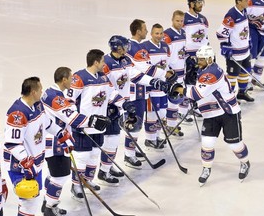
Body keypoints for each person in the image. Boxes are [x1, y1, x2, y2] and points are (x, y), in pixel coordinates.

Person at [170, 45, 250, 186]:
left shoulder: (212, 73)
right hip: (210, 114)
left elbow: (196, 94)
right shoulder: (204, 69)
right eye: (198, 59)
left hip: (227, 112)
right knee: (207, 143)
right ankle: (206, 168)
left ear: (209, 59)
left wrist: (177, 88)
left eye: (201, 60)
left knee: (234, 144)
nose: (198, 62)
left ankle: (245, 162)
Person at [99, 35, 171, 185]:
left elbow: (136, 76)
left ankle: (108, 166)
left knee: (114, 138)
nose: (127, 48)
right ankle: (103, 171)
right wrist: (121, 102)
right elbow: (106, 88)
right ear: (117, 48)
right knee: (110, 139)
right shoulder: (105, 64)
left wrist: (155, 82)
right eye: (125, 46)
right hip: (110, 105)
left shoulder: (125, 60)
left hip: (121, 104)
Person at [41, 67, 109, 215]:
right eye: (71, 78)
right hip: (55, 142)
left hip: (53, 139)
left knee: (54, 175)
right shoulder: (55, 97)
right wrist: (92, 121)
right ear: (64, 79)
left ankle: (47, 202)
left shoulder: (51, 92)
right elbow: (71, 117)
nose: (73, 81)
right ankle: (49, 208)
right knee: (60, 176)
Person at [65, 49, 126, 200]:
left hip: (100, 125)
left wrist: (125, 104)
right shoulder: (79, 77)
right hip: (84, 126)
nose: (105, 64)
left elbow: (111, 94)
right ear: (96, 62)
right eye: (103, 62)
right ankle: (77, 185)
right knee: (82, 157)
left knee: (94, 155)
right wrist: (77, 120)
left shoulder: (103, 77)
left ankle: (88, 181)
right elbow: (69, 101)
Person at [3, 77, 67, 216]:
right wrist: (27, 162)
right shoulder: (17, 114)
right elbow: (12, 143)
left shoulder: (38, 105)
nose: (42, 91)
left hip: (34, 164)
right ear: (33, 92)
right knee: (29, 204)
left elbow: (47, 123)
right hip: (21, 166)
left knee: (33, 201)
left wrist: (60, 133)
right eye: (40, 89)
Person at [141, 23, 176, 149]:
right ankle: (150, 139)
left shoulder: (165, 46)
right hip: (152, 87)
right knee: (152, 114)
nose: (159, 36)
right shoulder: (145, 47)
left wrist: (171, 73)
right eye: (156, 33)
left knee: (162, 113)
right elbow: (145, 68)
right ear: (151, 34)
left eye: (161, 33)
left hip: (163, 87)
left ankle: (157, 136)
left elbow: (167, 64)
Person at [216, 0, 254, 102]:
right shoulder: (231, 15)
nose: (248, 2)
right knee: (233, 75)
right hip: (235, 53)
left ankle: (242, 93)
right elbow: (221, 33)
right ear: (238, 1)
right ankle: (230, 97)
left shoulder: (244, 11)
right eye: (246, 1)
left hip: (245, 51)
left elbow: (245, 28)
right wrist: (225, 46)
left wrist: (249, 40)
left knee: (245, 72)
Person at [183, 0, 209, 122]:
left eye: (201, 3)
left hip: (201, 57)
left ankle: (196, 105)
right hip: (189, 57)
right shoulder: (184, 18)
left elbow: (205, 38)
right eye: (198, 3)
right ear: (192, 4)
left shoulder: (203, 19)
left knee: (199, 81)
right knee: (188, 81)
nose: (201, 5)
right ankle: (186, 108)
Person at [163, 10, 188, 137]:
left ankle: (172, 125)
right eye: (177, 20)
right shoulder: (167, 35)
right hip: (172, 74)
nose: (179, 23)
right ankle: (170, 126)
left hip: (181, 72)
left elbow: (182, 52)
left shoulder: (183, 32)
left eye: (181, 21)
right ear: (172, 20)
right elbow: (165, 55)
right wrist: (168, 71)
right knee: (172, 100)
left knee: (177, 98)